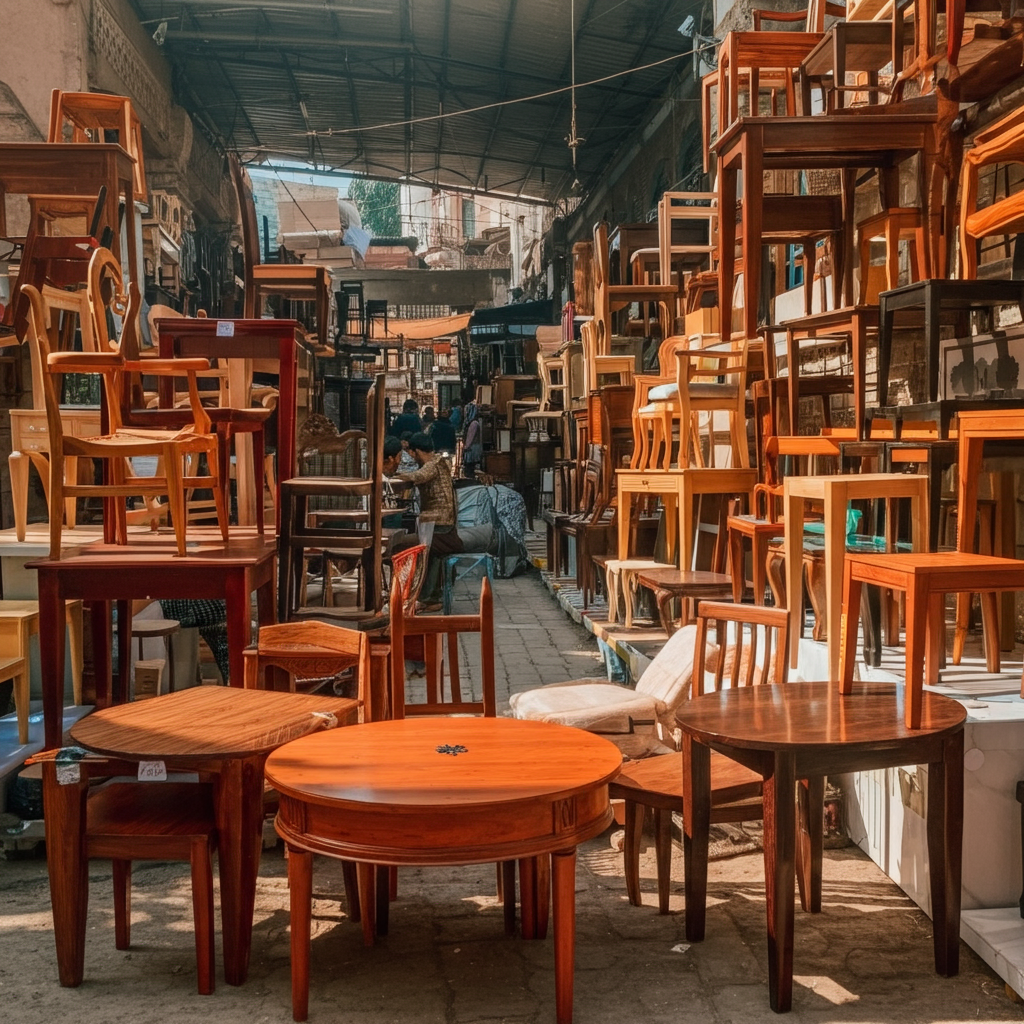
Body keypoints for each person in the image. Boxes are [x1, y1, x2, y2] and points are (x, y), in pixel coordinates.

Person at [395, 432, 464, 607]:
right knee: (429, 553)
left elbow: (417, 476)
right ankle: (429, 597)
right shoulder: (441, 462)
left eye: (411, 452)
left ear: (415, 451)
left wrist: (392, 476)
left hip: (441, 524)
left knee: (419, 550)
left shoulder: (434, 464)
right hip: (441, 522)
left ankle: (427, 597)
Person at [462, 402, 482, 479]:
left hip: (472, 449)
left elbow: (470, 437)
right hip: (473, 447)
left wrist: (466, 447)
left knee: (469, 467)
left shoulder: (473, 423)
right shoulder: (473, 422)